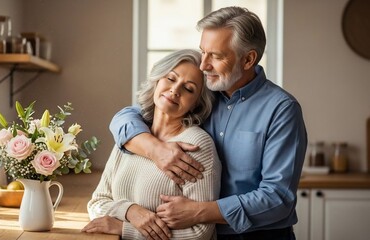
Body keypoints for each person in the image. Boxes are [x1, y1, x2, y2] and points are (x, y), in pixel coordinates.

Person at [109, 6, 307, 240]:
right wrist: (155, 150)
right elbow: (127, 116)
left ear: (248, 59)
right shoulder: (201, 94)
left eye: (216, 56)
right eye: (203, 52)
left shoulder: (281, 109)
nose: (203, 65)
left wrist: (200, 212)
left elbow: (278, 198)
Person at [83, 49, 222, 240]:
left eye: (188, 89)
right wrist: (131, 211)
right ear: (157, 80)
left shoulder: (198, 145)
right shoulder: (133, 136)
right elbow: (97, 203)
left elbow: (200, 232)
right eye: (171, 78)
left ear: (197, 104)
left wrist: (126, 230)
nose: (175, 90)